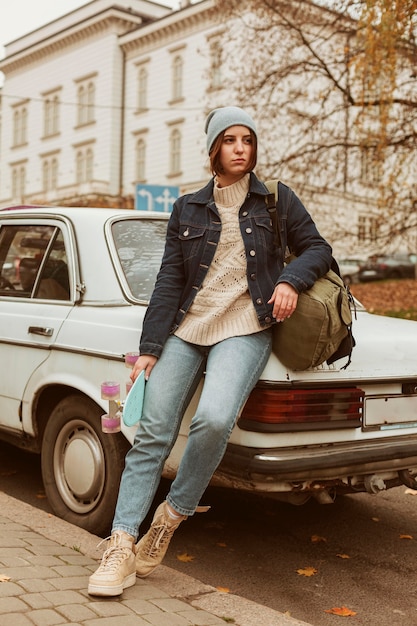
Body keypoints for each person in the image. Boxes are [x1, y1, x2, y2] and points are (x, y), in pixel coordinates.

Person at [88, 106, 332, 597]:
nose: (240, 147)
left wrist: (290, 279)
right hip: (187, 326)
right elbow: (170, 281)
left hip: (245, 327)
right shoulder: (187, 208)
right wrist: (149, 349)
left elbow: (318, 248)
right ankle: (120, 544)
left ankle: (170, 517)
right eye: (230, 139)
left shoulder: (277, 201)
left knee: (215, 420)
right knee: (153, 431)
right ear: (213, 148)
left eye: (247, 140)